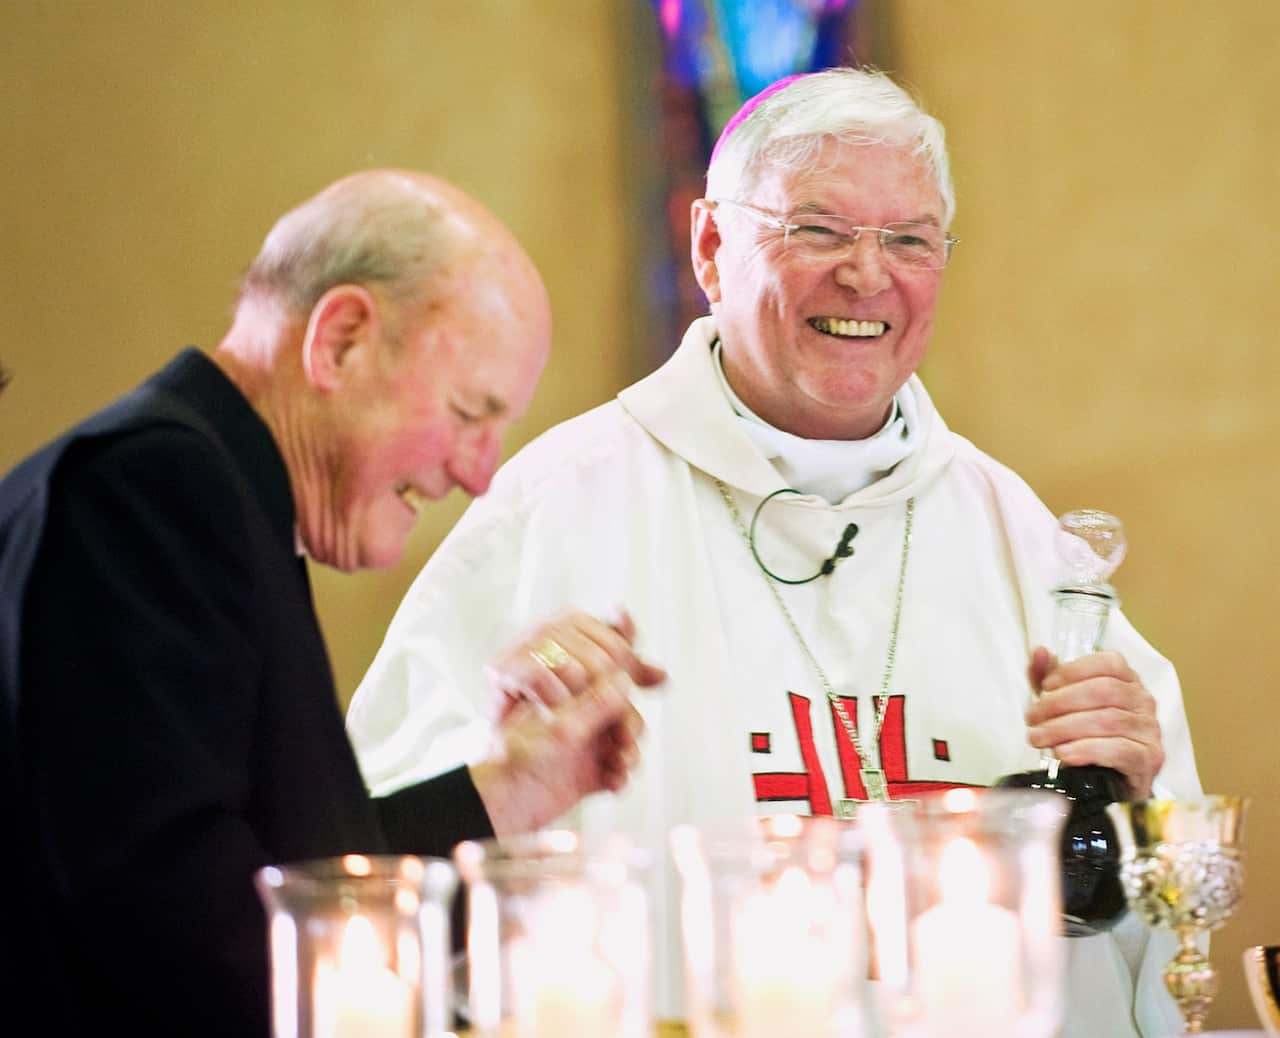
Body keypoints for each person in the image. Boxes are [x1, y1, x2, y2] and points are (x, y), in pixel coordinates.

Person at [347, 71, 1200, 1037]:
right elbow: (369, 887)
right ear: (712, 244)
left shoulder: (1017, 535)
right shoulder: (552, 513)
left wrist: (1134, 795)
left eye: (909, 239)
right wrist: (504, 763)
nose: (868, 276)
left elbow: (1167, 895)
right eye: (819, 230)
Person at [0, 170, 664, 1037]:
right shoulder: (153, 488)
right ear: (341, 340)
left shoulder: (221, 496)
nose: (478, 473)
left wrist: (512, 787)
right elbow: (183, 928)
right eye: (470, 413)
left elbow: (284, 879)